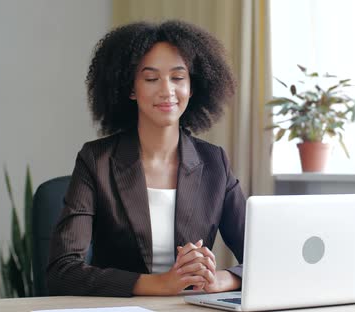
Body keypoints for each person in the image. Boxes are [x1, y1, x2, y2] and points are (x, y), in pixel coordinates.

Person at [46, 20, 245, 297]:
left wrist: (219, 280)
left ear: (192, 86)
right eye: (151, 78)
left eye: (178, 77)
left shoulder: (215, 163)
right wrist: (159, 284)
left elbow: (265, 260)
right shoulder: (97, 160)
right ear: (130, 88)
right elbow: (62, 271)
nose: (167, 90)